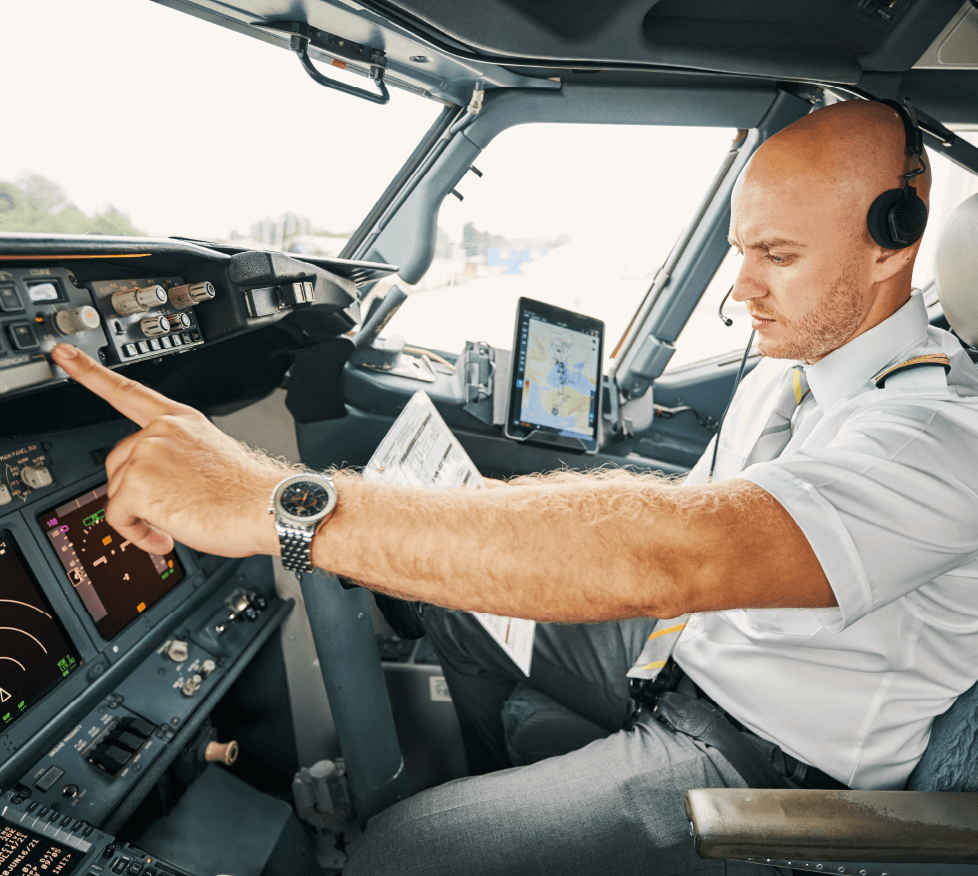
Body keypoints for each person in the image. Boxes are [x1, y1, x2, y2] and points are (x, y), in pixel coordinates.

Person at [49, 99, 978, 876]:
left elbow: (675, 551)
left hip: (766, 759)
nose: (744, 290)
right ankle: (516, 802)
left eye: (778, 258)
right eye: (742, 253)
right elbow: (683, 512)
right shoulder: (786, 373)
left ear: (893, 243)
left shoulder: (940, 438)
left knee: (399, 855)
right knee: (450, 609)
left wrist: (272, 500)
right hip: (687, 658)